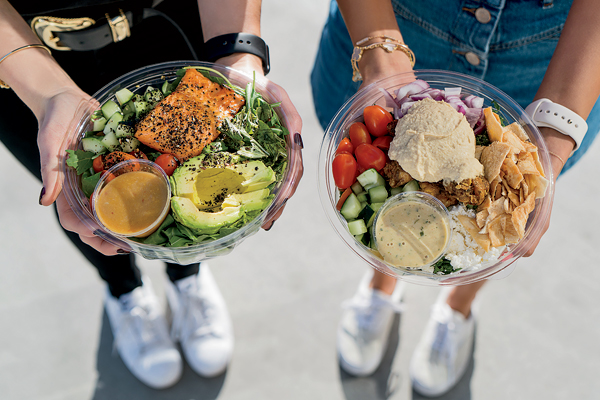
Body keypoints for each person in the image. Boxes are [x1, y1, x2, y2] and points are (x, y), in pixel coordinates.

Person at [0, 0, 302, 389]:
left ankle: (186, 276)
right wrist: (50, 93)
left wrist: (238, 50)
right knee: (82, 202)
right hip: (16, 58)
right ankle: (124, 291)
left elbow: (234, 49)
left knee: (174, 204)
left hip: (163, 19)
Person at [311, 0, 600, 396]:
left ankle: (456, 308)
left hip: (554, 56)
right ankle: (381, 286)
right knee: (394, 210)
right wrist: (378, 44)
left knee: (495, 235)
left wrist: (556, 130)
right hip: (398, 23)